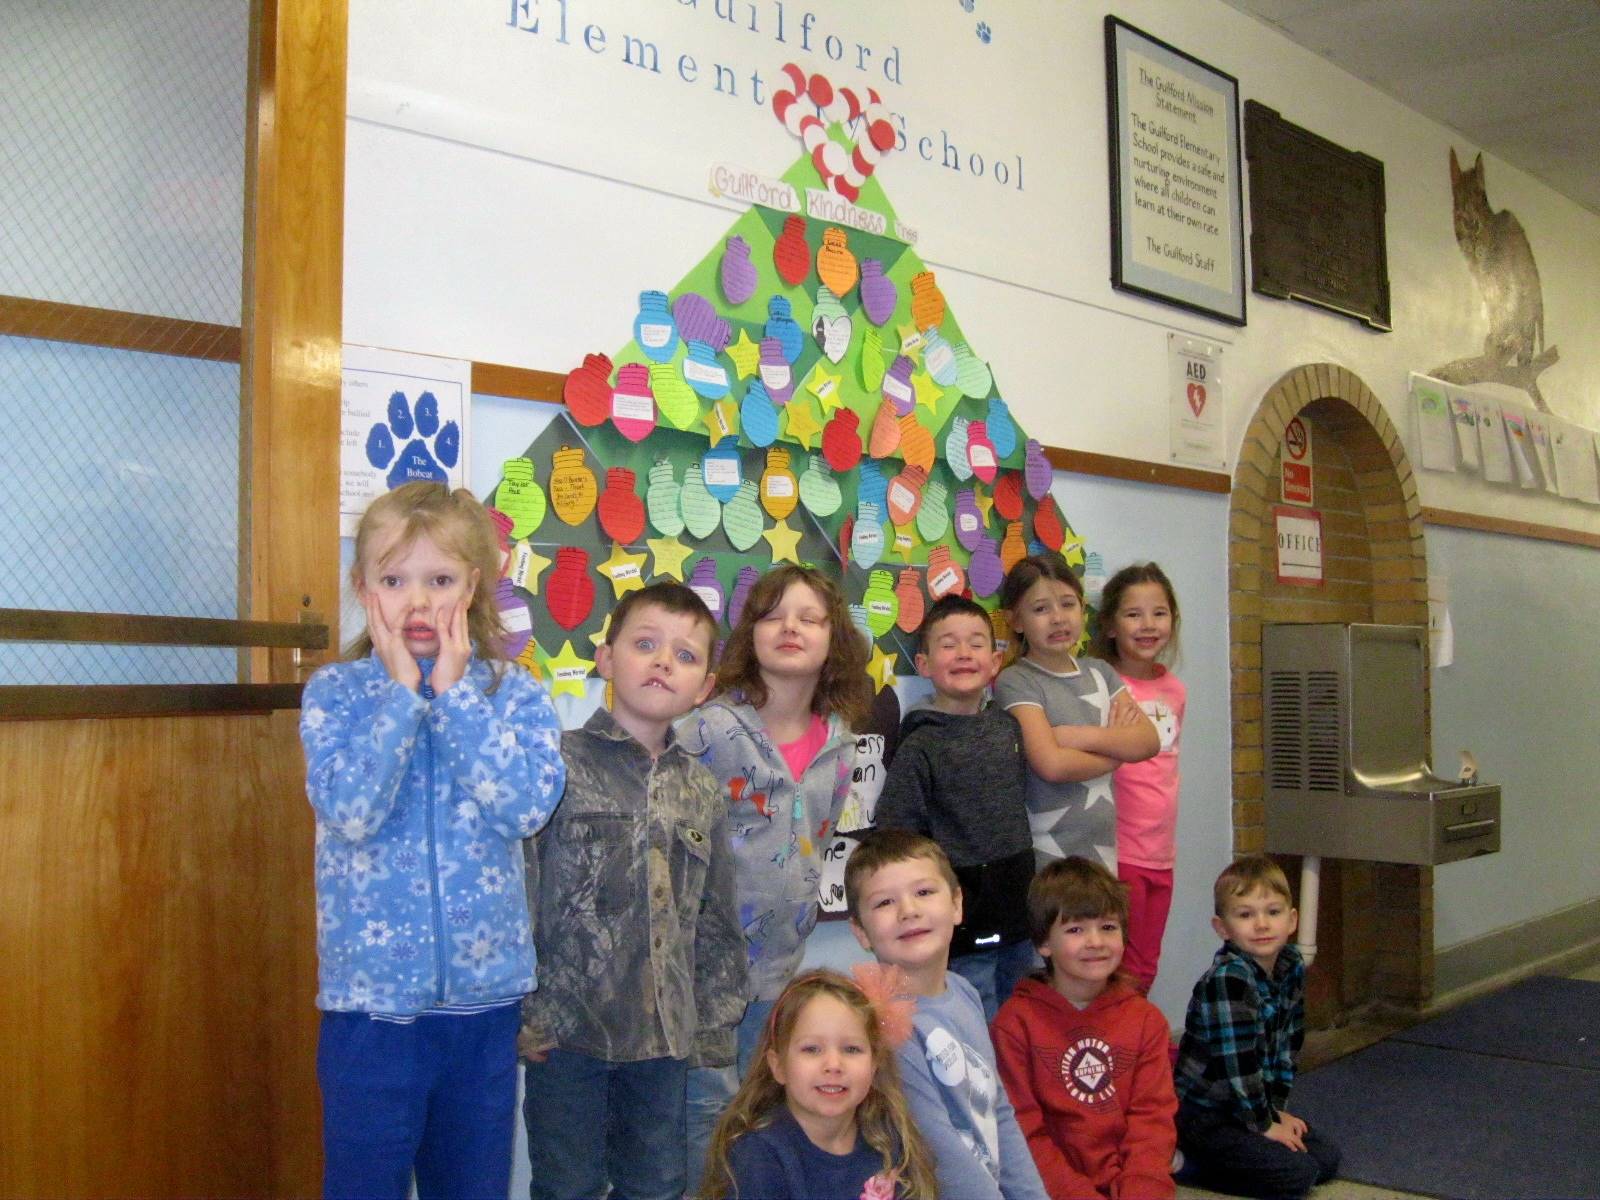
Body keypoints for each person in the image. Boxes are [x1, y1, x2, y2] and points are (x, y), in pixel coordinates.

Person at [300, 482, 566, 1200]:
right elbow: (350, 810)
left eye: (440, 580)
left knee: (472, 1186)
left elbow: (526, 808)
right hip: (370, 1009)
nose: (417, 603)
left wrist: (453, 698)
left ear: (473, 585)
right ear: (364, 588)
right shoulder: (336, 694)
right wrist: (398, 697)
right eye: (394, 580)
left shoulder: (511, 692)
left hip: (482, 1012)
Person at [519, 582, 746, 1200]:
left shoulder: (701, 790)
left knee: (658, 1185)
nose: (662, 662)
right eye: (645, 644)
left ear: (704, 686)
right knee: (568, 1187)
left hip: (665, 1043)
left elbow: (717, 916)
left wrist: (714, 1025)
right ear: (606, 656)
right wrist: (524, 1014)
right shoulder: (554, 765)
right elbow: (520, 892)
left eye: (685, 655)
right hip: (567, 1035)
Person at [679, 564, 873, 1184]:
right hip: (700, 970)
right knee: (703, 1117)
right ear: (749, 634)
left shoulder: (841, 742)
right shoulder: (708, 727)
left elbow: (816, 841)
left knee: (756, 1121)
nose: (791, 628)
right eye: (773, 615)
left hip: (778, 971)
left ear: (832, 639)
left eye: (810, 618)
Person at [845, 829, 1050, 1200]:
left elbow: (997, 1110)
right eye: (884, 903)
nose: (909, 911)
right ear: (861, 931)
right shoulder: (886, 1027)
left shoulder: (963, 991)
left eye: (924, 892)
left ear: (957, 904)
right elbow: (939, 1153)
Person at [875, 593, 1036, 1021]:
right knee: (972, 1017)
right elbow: (895, 831)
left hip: (1019, 906)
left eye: (976, 643)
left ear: (996, 661)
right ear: (925, 665)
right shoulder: (921, 744)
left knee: (1021, 1017)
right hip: (962, 919)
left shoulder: (1008, 728)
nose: (963, 653)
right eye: (948, 644)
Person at [992, 857, 1178, 1199]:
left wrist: (1143, 1190)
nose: (1095, 941)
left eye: (1108, 927)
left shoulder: (1146, 1021)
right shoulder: (1015, 1024)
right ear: (1043, 944)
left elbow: (1152, 1122)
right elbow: (1023, 1131)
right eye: (1076, 929)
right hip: (1050, 1189)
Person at [1174, 855, 1340, 1199]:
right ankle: (1186, 1164)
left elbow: (1288, 1044)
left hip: (1247, 1107)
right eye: (1245, 915)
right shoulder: (1229, 980)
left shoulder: (1291, 964)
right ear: (1223, 928)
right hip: (1206, 1115)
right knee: (1297, 1176)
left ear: (1292, 919)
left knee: (1325, 1159)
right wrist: (1264, 1125)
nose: (1262, 924)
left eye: (1273, 912)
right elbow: (1240, 1066)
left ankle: (1251, 1142)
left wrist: (1275, 1111)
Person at [700, 968, 937, 1199]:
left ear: (874, 1064)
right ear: (778, 1066)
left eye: (851, 1049)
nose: (833, 1064)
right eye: (812, 1049)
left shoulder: (888, 1142)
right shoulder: (757, 1157)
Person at [993, 554, 1158, 871]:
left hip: (1103, 852)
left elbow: (1148, 741)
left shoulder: (1100, 673)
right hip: (1047, 858)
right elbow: (1052, 765)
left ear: (1082, 608)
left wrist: (1073, 736)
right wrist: (1116, 751)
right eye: (1041, 609)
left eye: (1068, 604)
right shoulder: (1016, 681)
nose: (1058, 618)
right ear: (1015, 621)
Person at [1087, 563, 1187, 994]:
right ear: (1109, 625)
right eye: (1133, 614)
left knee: (1146, 964)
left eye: (1159, 613)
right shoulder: (1103, 686)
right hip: (1119, 851)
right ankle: (1118, 1048)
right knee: (1116, 965)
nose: (1148, 625)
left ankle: (1137, 1044)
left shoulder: (1175, 691)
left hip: (1161, 852)